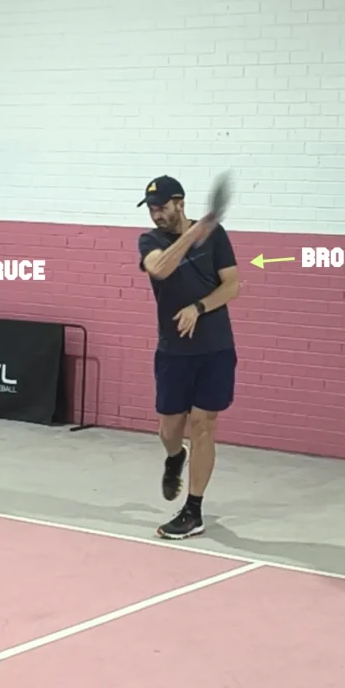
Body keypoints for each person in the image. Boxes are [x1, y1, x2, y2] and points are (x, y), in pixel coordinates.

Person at [137, 175, 240, 539]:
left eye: (162, 206)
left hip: (215, 348)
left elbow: (233, 285)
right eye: (151, 208)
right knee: (169, 429)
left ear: (179, 203)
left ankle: (193, 510)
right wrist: (192, 236)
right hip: (173, 351)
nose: (156, 214)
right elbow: (160, 268)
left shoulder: (217, 235)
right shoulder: (150, 240)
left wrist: (199, 306)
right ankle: (174, 457)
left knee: (204, 424)